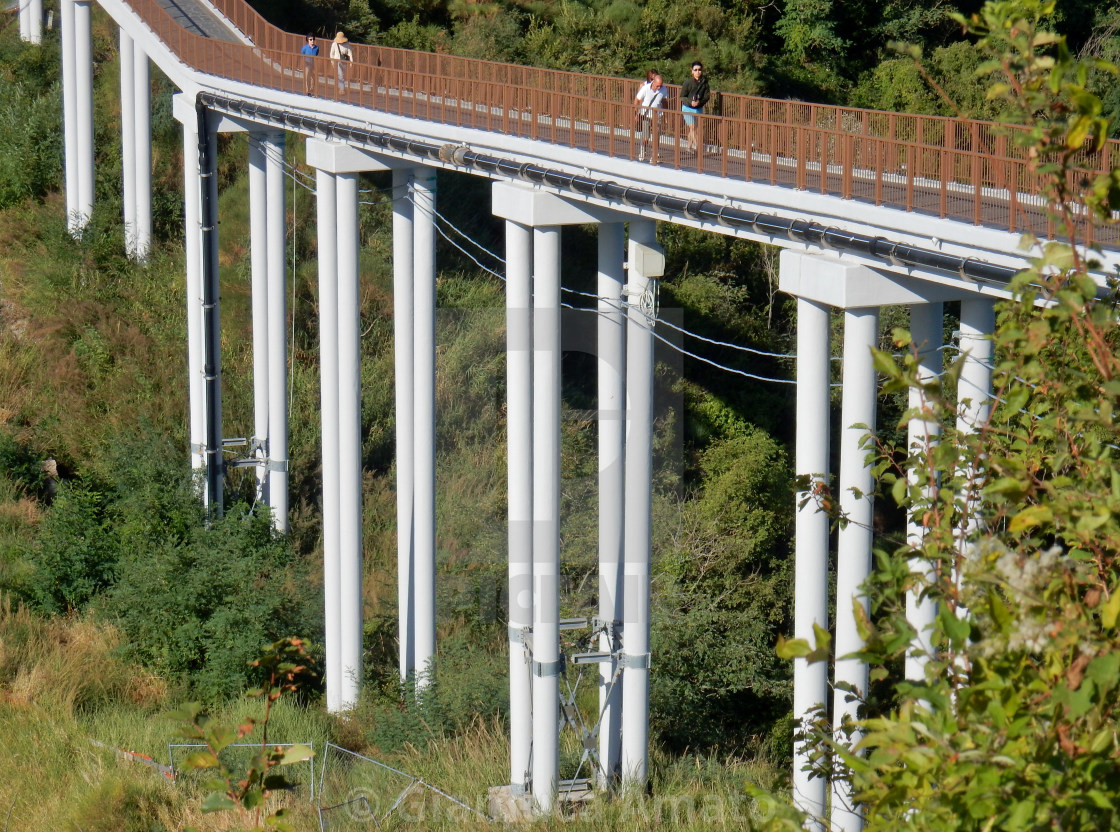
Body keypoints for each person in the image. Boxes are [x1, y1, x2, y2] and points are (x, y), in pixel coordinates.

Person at [634, 73, 666, 162]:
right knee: (645, 136)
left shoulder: (663, 89)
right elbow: (636, 100)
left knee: (656, 136)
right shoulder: (645, 88)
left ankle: (654, 156)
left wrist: (665, 114)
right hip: (646, 115)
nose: (659, 88)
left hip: (657, 115)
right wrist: (636, 113)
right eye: (657, 86)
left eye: (660, 86)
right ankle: (642, 151)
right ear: (653, 82)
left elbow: (664, 101)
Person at [680, 61, 710, 153]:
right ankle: (698, 147)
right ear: (692, 71)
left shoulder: (704, 83)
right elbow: (682, 96)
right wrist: (690, 102)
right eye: (695, 70)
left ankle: (689, 147)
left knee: (693, 129)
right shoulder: (688, 82)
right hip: (687, 108)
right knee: (692, 127)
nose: (698, 72)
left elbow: (707, 96)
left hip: (698, 108)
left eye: (699, 70)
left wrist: (699, 102)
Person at [330, 31, 353, 97]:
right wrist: (332, 62)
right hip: (337, 61)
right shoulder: (334, 44)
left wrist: (351, 62)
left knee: (342, 75)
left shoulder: (347, 44)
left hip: (344, 62)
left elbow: (350, 54)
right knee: (340, 75)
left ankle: (340, 87)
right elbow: (331, 54)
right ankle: (342, 89)